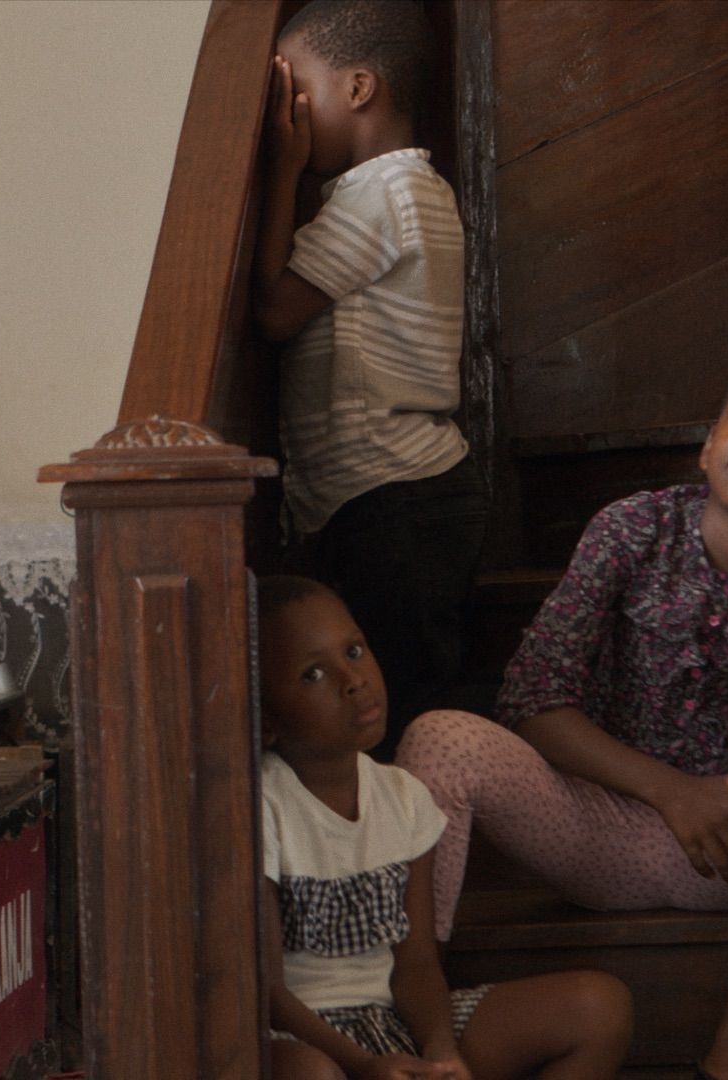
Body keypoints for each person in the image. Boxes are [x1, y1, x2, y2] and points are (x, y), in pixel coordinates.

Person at [396, 352, 728, 1080]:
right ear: (708, 445)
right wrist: (673, 791)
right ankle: (423, 1010)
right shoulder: (634, 528)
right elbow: (531, 698)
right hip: (596, 828)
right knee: (439, 735)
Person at [256, 575, 631, 1080]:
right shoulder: (261, 805)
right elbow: (267, 991)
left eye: (355, 650)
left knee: (598, 1005)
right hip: (303, 1040)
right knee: (310, 1075)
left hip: (391, 1022)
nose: (353, 679)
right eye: (313, 675)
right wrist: (364, 1063)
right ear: (266, 719)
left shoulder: (405, 798)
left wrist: (439, 1052)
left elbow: (416, 965)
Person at [250, 0, 486, 747]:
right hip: (393, 498)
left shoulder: (383, 194)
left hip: (395, 500)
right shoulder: (400, 190)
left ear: (357, 89)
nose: (288, 113)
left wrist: (283, 170)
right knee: (403, 708)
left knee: (405, 720)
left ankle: (418, 852)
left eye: (300, 91)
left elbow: (274, 311)